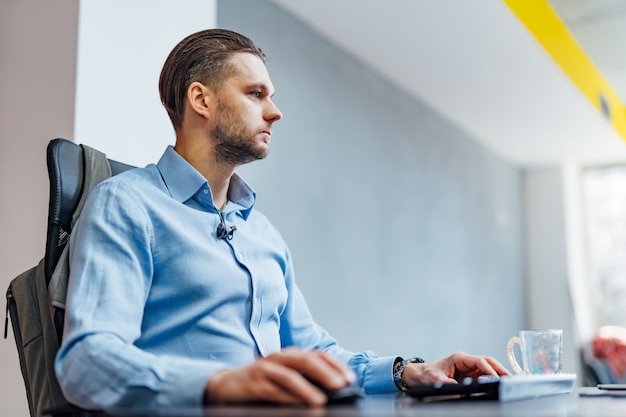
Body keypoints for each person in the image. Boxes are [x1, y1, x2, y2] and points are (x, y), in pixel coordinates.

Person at [55, 28, 509, 411]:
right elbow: (88, 361)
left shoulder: (261, 232)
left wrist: (407, 371)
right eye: (256, 94)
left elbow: (313, 352)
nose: (275, 111)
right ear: (201, 100)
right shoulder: (125, 205)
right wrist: (220, 384)